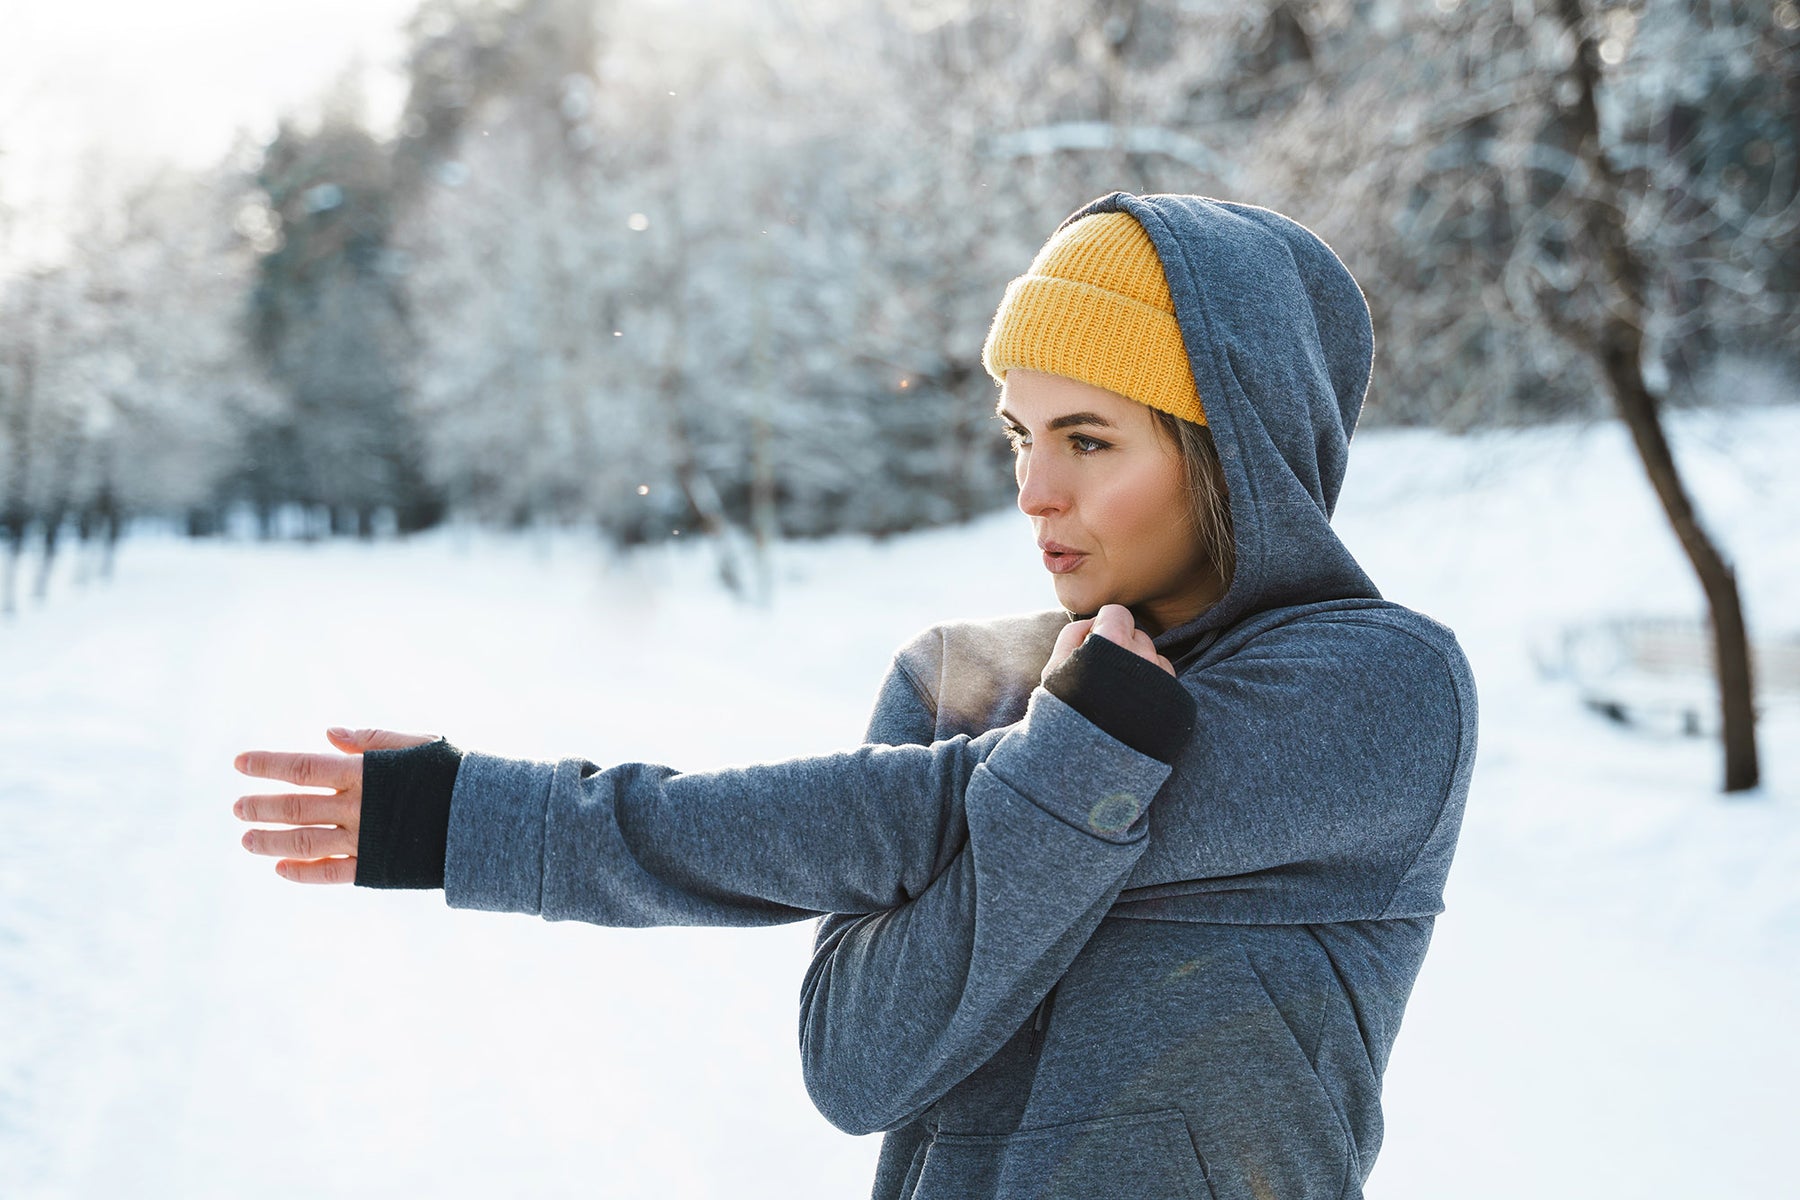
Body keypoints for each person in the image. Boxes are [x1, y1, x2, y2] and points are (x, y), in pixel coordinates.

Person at [233, 191, 1479, 1200]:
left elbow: (907, 821)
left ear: (1238, 457)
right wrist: (1078, 758)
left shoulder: (1379, 690)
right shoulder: (958, 681)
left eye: (1088, 439)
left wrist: (491, 821)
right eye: (1017, 434)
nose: (1034, 490)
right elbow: (855, 1069)